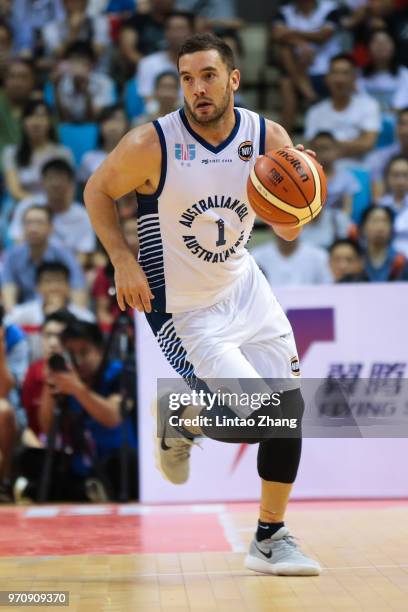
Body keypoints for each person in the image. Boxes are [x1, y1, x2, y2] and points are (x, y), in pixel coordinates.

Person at [84, 32, 322, 575]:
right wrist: (122, 260)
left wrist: (304, 199)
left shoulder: (267, 135)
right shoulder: (152, 144)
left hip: (245, 287)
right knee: (254, 420)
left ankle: (269, 537)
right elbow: (97, 190)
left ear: (233, 79)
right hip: (186, 310)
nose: (197, 89)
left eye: (208, 76)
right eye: (187, 79)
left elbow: (286, 232)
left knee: (290, 411)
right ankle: (181, 417)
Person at [20, 319, 137, 502]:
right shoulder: (69, 378)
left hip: (116, 462)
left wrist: (78, 390)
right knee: (29, 457)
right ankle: (87, 491)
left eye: (84, 352)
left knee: (123, 461)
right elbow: (47, 428)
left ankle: (92, 491)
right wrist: (51, 383)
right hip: (80, 464)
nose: (79, 360)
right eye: (72, 354)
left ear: (100, 349)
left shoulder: (120, 373)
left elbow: (113, 417)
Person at [271, 0, 342, 132]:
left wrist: (291, 34)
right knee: (285, 53)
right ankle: (310, 96)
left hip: (326, 70)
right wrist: (299, 44)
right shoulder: (285, 11)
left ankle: (284, 143)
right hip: (297, 67)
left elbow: (323, 36)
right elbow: (276, 34)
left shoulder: (330, 8)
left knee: (287, 82)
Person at [2, 205, 87, 311]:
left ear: (51, 228)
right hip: (24, 314)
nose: (33, 228)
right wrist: (12, 317)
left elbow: (77, 287)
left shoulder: (64, 254)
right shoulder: (12, 255)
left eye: (39, 223)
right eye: (28, 223)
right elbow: (8, 287)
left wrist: (75, 317)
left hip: (60, 312)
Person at [6, 261, 95, 360]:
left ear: (68, 286)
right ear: (37, 287)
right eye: (48, 281)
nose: (54, 287)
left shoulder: (85, 317)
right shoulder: (20, 314)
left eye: (59, 281)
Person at [9, 158, 96, 257]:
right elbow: (18, 243)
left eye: (60, 178)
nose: (55, 184)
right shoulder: (27, 206)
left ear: (71, 183)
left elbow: (82, 255)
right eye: (51, 178)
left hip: (64, 270)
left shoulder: (83, 216)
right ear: (42, 182)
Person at [304, 53, 381, 161]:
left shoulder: (369, 106)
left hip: (359, 169)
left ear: (354, 78)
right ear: (327, 78)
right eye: (335, 73)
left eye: (345, 73)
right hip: (323, 169)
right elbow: (311, 147)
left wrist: (328, 146)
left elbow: (368, 143)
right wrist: (355, 143)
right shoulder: (315, 112)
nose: (340, 79)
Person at [2, 99, 73, 202]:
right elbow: (15, 191)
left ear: (50, 122)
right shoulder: (11, 152)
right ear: (23, 122)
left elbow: (69, 189)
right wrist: (42, 207)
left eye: (42, 116)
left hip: (58, 207)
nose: (36, 122)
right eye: (31, 116)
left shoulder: (63, 153)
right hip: (23, 206)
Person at [0, 314, 30, 501]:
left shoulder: (14, 336)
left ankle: (4, 483)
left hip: (9, 417)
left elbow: (3, 390)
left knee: (2, 410)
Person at [136, 11, 195, 102]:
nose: (176, 34)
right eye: (171, 29)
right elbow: (148, 101)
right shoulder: (147, 63)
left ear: (191, 32)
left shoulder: (201, 64)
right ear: (165, 32)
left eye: (180, 29)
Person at [92, 216, 138, 329]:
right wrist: (120, 330)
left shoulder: (158, 268)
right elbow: (102, 313)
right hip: (119, 330)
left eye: (136, 233)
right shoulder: (106, 272)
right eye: (127, 233)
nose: (131, 239)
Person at [53, 41, 116, 123]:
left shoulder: (105, 82)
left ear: (92, 64)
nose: (77, 66)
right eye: (74, 61)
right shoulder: (63, 81)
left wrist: (85, 92)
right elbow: (63, 118)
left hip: (97, 127)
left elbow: (95, 118)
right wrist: (56, 88)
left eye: (82, 62)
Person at [357, 29, 408, 112]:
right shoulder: (358, 76)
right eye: (376, 42)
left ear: (394, 45)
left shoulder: (405, 75)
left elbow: (400, 108)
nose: (381, 46)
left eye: (386, 42)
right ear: (368, 47)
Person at [251, 234, 332, 286]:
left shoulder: (319, 256)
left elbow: (328, 288)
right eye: (279, 223)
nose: (285, 228)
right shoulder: (256, 257)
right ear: (270, 226)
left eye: (290, 223)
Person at [78, 105, 128, 184]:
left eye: (118, 120)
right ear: (99, 126)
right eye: (107, 121)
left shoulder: (135, 156)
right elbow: (83, 189)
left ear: (126, 125)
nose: (113, 126)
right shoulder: (88, 158)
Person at [365, 107, 408, 196]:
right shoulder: (378, 158)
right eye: (402, 124)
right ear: (396, 127)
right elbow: (378, 199)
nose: (405, 130)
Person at [0, 59, 36, 166]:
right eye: (12, 77)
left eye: (23, 77)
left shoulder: (40, 107)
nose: (17, 83)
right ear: (4, 80)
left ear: (32, 80)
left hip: (32, 171)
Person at [359, 205, 406, 281]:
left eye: (385, 221)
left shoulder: (401, 261)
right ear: (363, 227)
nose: (380, 227)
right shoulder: (356, 259)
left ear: (392, 228)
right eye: (375, 221)